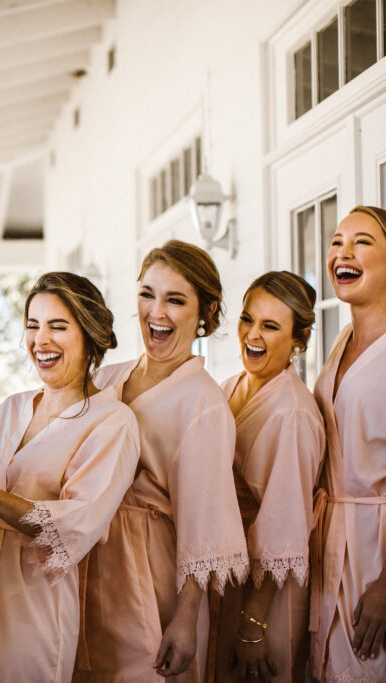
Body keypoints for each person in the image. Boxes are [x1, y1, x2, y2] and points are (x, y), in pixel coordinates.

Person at [0, 272, 140, 683]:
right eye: (32, 326)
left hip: (33, 601)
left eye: (58, 326)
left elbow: (77, 523)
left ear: (90, 334)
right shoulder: (11, 407)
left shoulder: (112, 421)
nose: (41, 340)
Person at [78, 240, 249, 681]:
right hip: (90, 562)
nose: (157, 312)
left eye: (175, 300)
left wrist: (186, 617)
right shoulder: (107, 377)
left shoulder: (203, 403)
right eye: (147, 293)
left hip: (150, 571)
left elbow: (203, 520)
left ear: (206, 312)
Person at [309, 206, 386, 682]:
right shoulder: (342, 340)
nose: (342, 252)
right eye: (336, 241)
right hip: (329, 537)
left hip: (383, 550)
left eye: (361, 242)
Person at [213, 272, 324, 682]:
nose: (252, 334)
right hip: (228, 570)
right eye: (247, 319)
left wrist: (253, 626)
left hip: (265, 592)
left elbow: (283, 527)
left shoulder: (291, 413)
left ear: (300, 337)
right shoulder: (229, 386)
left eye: (271, 326)